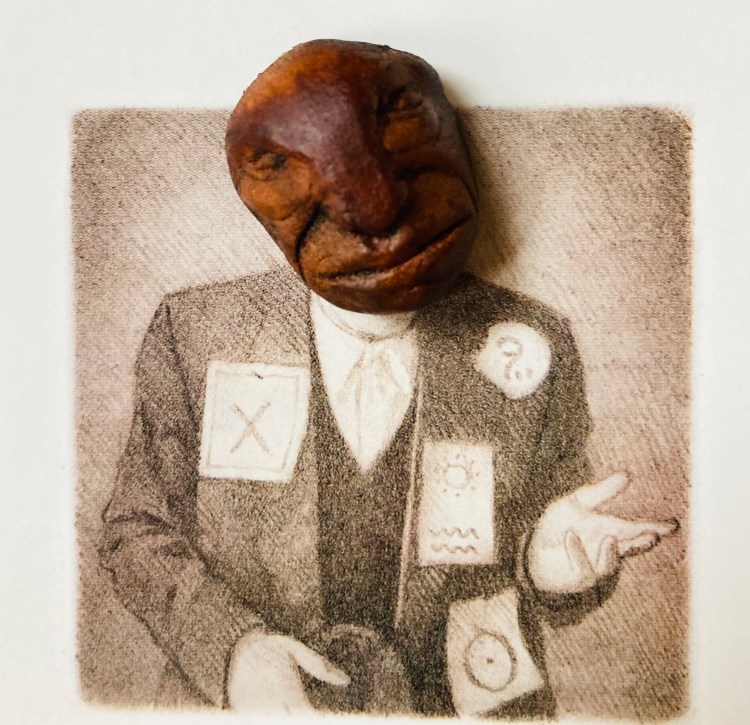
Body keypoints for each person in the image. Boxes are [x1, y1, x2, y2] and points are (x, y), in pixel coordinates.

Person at [100, 39, 676, 717]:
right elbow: (135, 529)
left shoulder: (532, 343)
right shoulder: (195, 333)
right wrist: (235, 651)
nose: (375, 215)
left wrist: (547, 568)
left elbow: (549, 550)